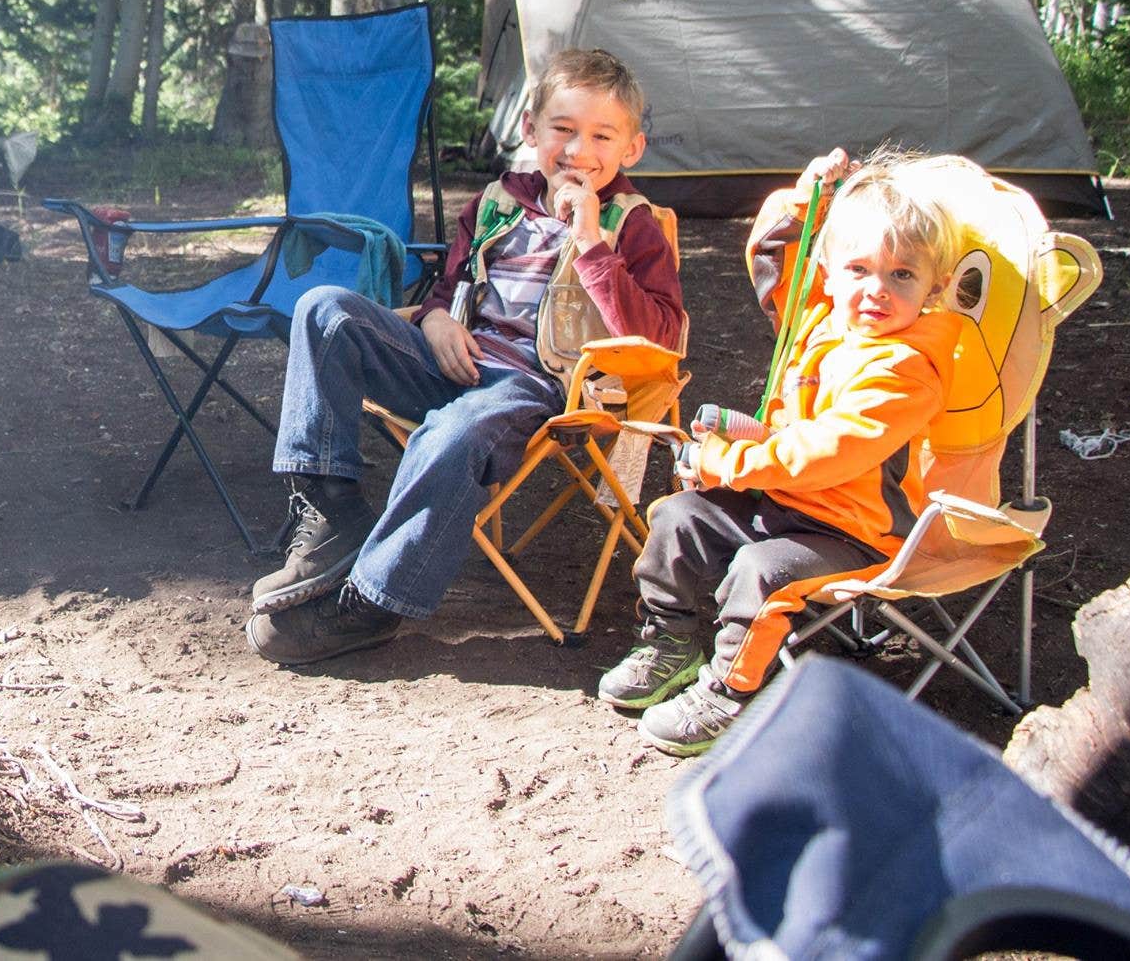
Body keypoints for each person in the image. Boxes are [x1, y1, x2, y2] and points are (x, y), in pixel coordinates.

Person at [246, 47, 686, 666]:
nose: (578, 151)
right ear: (530, 130)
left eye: (600, 136)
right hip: (453, 361)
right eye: (563, 129)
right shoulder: (498, 201)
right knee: (324, 309)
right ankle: (330, 508)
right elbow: (451, 288)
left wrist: (590, 243)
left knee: (453, 431)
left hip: (536, 386)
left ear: (631, 149)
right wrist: (432, 320)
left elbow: (661, 337)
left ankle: (374, 603)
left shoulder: (632, 224)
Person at [598, 147, 965, 756]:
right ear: (831, 268)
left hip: (854, 531)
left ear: (936, 287)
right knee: (678, 518)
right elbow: (769, 253)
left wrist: (728, 463)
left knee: (761, 572)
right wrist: (808, 197)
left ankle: (731, 692)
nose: (876, 290)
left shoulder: (908, 369)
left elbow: (827, 454)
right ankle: (671, 640)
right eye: (858, 270)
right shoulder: (821, 321)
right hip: (782, 500)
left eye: (902, 275)